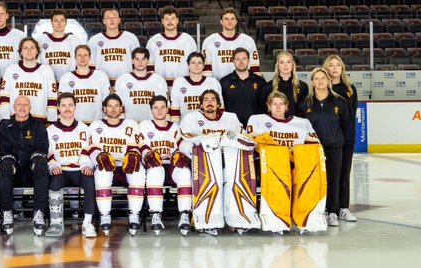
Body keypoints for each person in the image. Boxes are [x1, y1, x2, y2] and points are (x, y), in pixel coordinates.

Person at [178, 90, 258, 235]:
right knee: (210, 181)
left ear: (218, 103)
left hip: (228, 160)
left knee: (235, 181)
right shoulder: (192, 117)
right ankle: (207, 220)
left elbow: (243, 137)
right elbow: (185, 136)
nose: (210, 102)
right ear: (201, 104)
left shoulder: (230, 118)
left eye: (213, 99)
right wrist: (213, 138)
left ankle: (239, 218)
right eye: (206, 100)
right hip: (205, 160)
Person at [246, 91, 324, 234]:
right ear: (268, 106)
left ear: (286, 107)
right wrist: (282, 150)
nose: (277, 107)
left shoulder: (302, 123)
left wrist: (293, 152)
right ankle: (277, 219)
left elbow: (314, 144)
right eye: (274, 104)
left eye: (281, 104)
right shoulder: (258, 120)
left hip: (296, 163)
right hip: (272, 165)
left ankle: (305, 217)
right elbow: (253, 140)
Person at [299, 67, 355, 227]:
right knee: (315, 181)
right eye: (316, 78)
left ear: (328, 80)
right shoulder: (305, 103)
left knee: (334, 179)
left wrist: (343, 144)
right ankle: (317, 210)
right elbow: (301, 128)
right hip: (313, 150)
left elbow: (346, 125)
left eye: (323, 78)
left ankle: (332, 211)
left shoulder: (339, 102)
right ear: (312, 82)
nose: (320, 81)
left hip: (334, 147)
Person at [86, 94, 145, 236]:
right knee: (102, 171)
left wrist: (133, 155)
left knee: (138, 171)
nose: (113, 109)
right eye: (110, 106)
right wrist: (100, 156)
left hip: (125, 164)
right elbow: (92, 148)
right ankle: (105, 214)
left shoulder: (131, 124)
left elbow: (137, 146)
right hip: (107, 164)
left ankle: (134, 214)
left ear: (121, 108)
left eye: (116, 106)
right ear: (104, 108)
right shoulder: (96, 125)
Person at [0, 95, 50, 236]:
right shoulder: (5, 125)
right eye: (19, 104)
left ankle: (39, 213)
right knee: (4, 170)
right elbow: (3, 146)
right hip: (13, 167)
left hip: (31, 168)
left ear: (30, 107)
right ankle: (7, 212)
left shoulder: (38, 125)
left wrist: (38, 157)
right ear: (13, 107)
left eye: (25, 104)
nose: (22, 107)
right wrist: (8, 158)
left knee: (42, 169)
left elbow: (43, 145)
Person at [45, 92, 94, 237]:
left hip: (79, 169)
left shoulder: (85, 129)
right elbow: (49, 153)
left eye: (70, 105)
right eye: (64, 105)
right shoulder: (50, 130)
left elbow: (88, 150)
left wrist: (86, 164)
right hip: (61, 170)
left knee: (90, 180)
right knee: (54, 180)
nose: (67, 108)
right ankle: (56, 223)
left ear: (75, 107)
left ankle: (88, 223)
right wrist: (53, 165)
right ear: (58, 108)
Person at [323, 53, 359, 224]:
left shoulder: (350, 89)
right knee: (330, 174)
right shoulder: (322, 88)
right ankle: (330, 208)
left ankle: (343, 207)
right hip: (329, 139)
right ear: (326, 68)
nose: (335, 68)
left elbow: (350, 115)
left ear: (342, 68)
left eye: (338, 65)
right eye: (331, 65)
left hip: (346, 138)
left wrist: (347, 136)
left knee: (344, 173)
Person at [137, 94, 181, 235]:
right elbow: (142, 146)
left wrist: (177, 155)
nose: (160, 110)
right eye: (156, 108)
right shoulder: (144, 125)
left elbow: (181, 148)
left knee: (185, 172)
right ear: (151, 110)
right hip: (154, 165)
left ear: (167, 109)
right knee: (155, 171)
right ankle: (156, 214)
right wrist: (150, 155)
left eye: (162, 107)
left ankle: (185, 214)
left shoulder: (175, 127)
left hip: (171, 164)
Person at [0, 37, 57, 121]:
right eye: (26, 48)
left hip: (39, 120)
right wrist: (5, 118)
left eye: (32, 48)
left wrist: (51, 120)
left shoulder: (47, 70)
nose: (29, 50)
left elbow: (52, 98)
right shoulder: (11, 69)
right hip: (16, 120)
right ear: (21, 51)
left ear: (37, 51)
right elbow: (4, 97)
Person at [57, 44, 111, 124]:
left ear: (90, 57)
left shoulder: (101, 76)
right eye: (79, 55)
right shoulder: (66, 77)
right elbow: (62, 104)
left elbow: (108, 102)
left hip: (96, 124)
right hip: (74, 125)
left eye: (85, 55)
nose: (82, 58)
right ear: (75, 57)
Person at [202, 8, 260, 80]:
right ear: (221, 21)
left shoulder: (247, 40)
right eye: (226, 19)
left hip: (243, 84)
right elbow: (207, 69)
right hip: (218, 84)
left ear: (236, 21)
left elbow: (254, 66)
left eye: (232, 19)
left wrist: (255, 83)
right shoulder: (209, 41)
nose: (230, 21)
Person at [114, 47, 169, 123]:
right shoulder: (122, 80)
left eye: (143, 59)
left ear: (148, 61)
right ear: (132, 60)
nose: (140, 62)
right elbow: (118, 106)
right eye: (137, 59)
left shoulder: (158, 80)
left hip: (152, 126)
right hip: (129, 124)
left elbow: (164, 106)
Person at [146, 5, 198, 85]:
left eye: (173, 19)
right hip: (160, 85)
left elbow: (194, 64)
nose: (170, 22)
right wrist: (153, 83)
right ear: (162, 21)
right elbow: (149, 65)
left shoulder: (188, 40)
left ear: (177, 20)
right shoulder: (153, 40)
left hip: (183, 84)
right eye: (167, 19)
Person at [87, 8, 140, 80]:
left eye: (114, 17)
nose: (112, 20)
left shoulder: (131, 38)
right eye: (108, 18)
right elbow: (91, 64)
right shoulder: (94, 40)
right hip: (103, 82)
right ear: (104, 21)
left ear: (119, 20)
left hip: (126, 82)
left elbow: (137, 63)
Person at [220, 46, 266, 126]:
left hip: (255, 127)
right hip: (232, 127)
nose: (241, 62)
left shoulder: (260, 82)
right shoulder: (224, 82)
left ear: (249, 60)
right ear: (233, 61)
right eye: (237, 59)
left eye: (244, 59)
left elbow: (264, 107)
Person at [170, 51, 223, 119]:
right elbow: (175, 109)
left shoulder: (213, 82)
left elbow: (220, 108)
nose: (196, 65)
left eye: (199, 63)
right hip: (186, 126)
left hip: (208, 127)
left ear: (203, 65)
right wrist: (177, 128)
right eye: (193, 63)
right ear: (188, 65)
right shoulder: (179, 82)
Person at [37, 10, 83, 79]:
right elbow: (36, 62)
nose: (59, 23)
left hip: (69, 81)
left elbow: (81, 62)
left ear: (66, 23)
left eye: (62, 20)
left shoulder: (74, 40)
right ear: (51, 23)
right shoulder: (40, 40)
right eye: (56, 21)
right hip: (46, 80)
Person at [261, 50, 307, 116]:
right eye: (282, 62)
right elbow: (263, 111)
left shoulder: (302, 86)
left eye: (288, 62)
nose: (285, 65)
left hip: (296, 125)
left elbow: (305, 111)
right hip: (276, 125)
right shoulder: (268, 87)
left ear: (293, 65)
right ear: (278, 66)